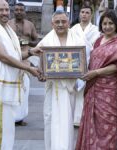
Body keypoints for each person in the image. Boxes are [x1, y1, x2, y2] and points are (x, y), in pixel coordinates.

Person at [0, 0, 41, 149]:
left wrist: (32, 52)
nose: (5, 13)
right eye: (1, 10)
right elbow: (4, 57)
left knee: (6, 123)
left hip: (3, 80)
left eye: (7, 9)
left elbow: (14, 54)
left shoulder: (5, 28)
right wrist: (29, 69)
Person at [76, 10, 117, 150]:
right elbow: (92, 60)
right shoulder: (98, 41)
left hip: (110, 91)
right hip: (93, 87)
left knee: (108, 125)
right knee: (92, 123)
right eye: (104, 23)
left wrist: (96, 72)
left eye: (110, 23)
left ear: (116, 25)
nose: (107, 26)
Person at [37, 10, 79, 150]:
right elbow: (41, 66)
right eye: (57, 22)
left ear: (69, 23)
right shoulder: (46, 41)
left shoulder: (78, 38)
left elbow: (86, 60)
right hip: (53, 87)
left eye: (63, 21)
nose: (60, 24)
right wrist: (41, 74)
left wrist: (82, 75)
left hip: (70, 87)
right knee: (51, 120)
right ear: (52, 24)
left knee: (67, 121)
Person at [8, 2, 39, 126]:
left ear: (25, 11)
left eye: (21, 10)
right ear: (13, 11)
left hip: (26, 59)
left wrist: (25, 41)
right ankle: (11, 116)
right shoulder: (8, 24)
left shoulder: (30, 25)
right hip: (11, 58)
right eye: (17, 10)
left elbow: (36, 41)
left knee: (24, 89)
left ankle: (20, 117)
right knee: (11, 88)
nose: (19, 12)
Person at [71, 5, 100, 126]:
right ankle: (73, 118)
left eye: (87, 12)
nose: (84, 14)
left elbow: (96, 47)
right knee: (73, 90)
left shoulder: (95, 30)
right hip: (74, 62)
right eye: (82, 12)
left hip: (90, 63)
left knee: (86, 92)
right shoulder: (73, 29)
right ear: (79, 14)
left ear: (91, 15)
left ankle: (84, 117)